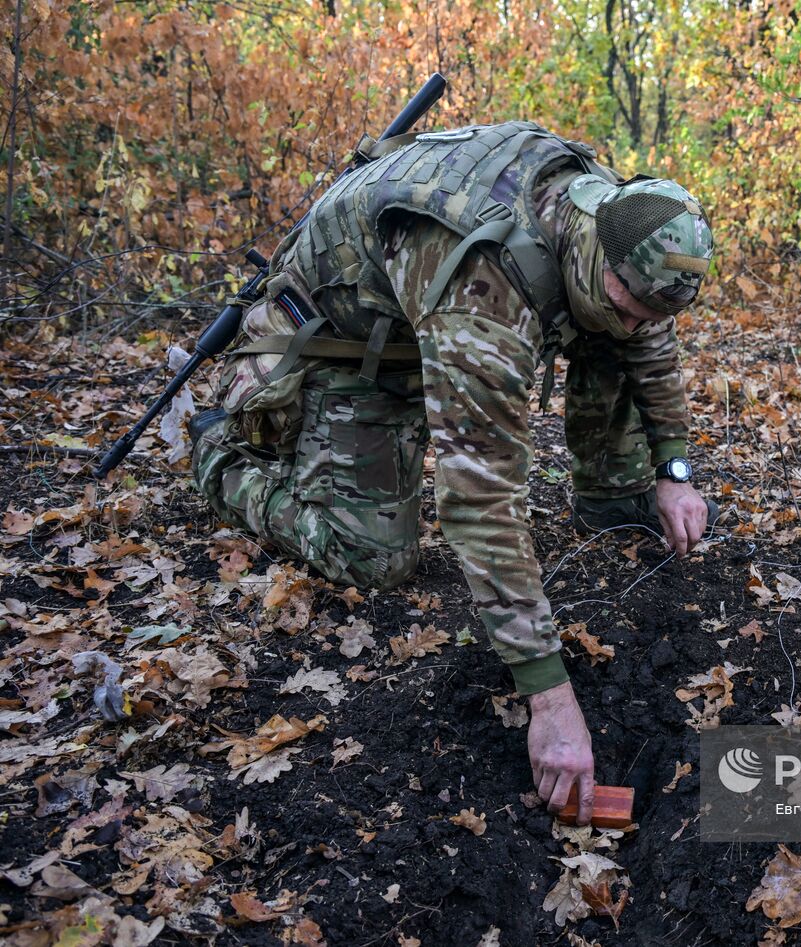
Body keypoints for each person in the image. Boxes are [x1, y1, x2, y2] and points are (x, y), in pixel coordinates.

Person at [187, 121, 716, 825]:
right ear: (595, 253)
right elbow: (480, 498)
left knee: (611, 338)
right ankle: (217, 455)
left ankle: (611, 495)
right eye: (624, 306)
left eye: (650, 312)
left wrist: (673, 470)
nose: (634, 324)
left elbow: (649, 343)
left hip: (418, 324)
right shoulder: (488, 288)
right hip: (343, 344)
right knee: (372, 556)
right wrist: (550, 698)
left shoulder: (632, 224)